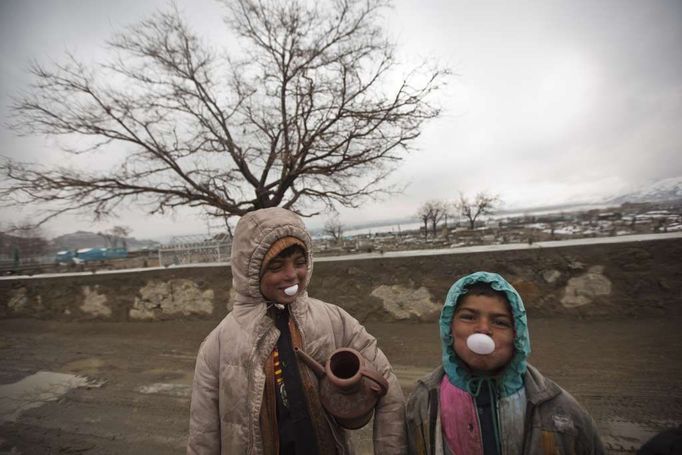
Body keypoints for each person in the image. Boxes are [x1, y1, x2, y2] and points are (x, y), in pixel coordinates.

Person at [187, 207, 406, 454]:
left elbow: (388, 386)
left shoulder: (333, 320)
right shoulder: (218, 344)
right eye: (277, 266)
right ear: (250, 269)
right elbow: (202, 437)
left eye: (300, 263)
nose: (292, 275)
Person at [405, 271, 604, 455]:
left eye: (500, 322)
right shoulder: (423, 401)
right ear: (449, 327)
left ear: (517, 335)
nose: (483, 329)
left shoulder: (562, 412)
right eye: (468, 317)